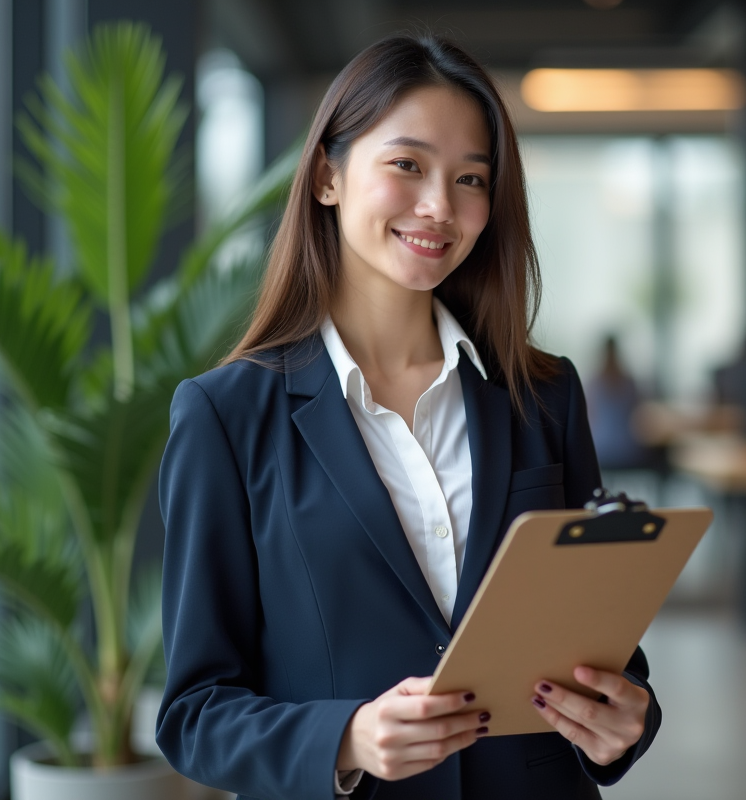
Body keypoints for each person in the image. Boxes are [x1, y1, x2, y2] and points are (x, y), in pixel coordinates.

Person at [156, 34, 660, 800]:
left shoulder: (541, 393)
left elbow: (603, 649)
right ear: (328, 174)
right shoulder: (225, 417)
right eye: (407, 165)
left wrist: (627, 723)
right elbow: (194, 714)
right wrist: (347, 739)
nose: (440, 207)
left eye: (470, 178)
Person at [583, 335, 653, 470]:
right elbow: (638, 413)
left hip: (600, 449)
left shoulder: (593, 383)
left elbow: (589, 415)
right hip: (627, 449)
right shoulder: (629, 382)